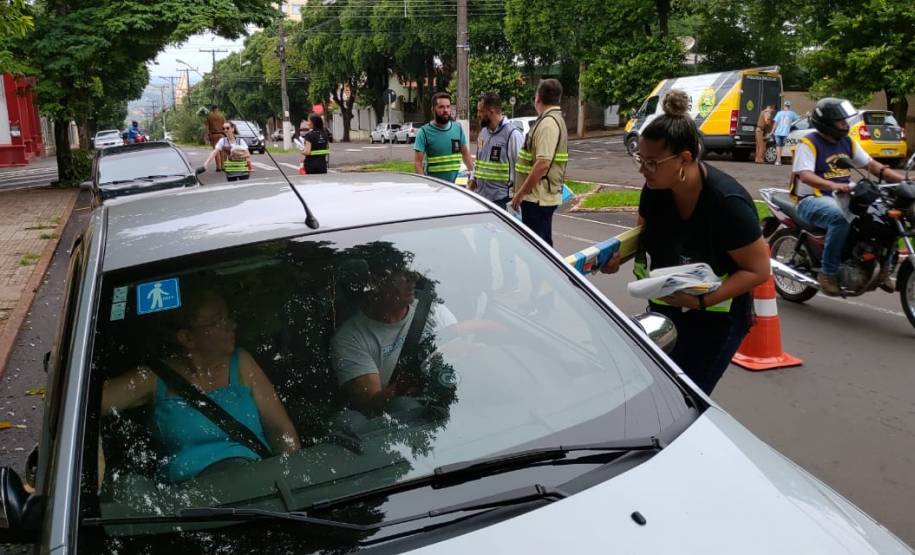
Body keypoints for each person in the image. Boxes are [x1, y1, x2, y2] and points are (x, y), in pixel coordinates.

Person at [600, 89, 770, 395]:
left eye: (652, 162)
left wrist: (700, 301)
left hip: (717, 320)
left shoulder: (726, 202)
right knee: (658, 391)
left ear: (685, 159)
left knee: (688, 397)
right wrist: (616, 256)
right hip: (667, 309)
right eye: (640, 159)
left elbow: (758, 270)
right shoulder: (654, 190)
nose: (643, 169)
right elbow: (643, 234)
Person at [101, 290, 300, 483]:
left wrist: (293, 481)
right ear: (186, 338)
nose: (232, 325)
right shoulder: (154, 377)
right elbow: (92, 402)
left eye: (228, 317)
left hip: (255, 486)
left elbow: (281, 431)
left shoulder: (242, 363)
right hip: (190, 502)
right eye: (219, 321)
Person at [790, 97, 905, 294]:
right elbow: (806, 175)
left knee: (887, 214)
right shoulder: (808, 143)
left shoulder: (847, 142)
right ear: (826, 123)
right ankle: (828, 272)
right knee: (840, 217)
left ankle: (882, 267)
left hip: (843, 196)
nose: (845, 124)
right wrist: (834, 185)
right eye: (840, 121)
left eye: (845, 120)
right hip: (812, 199)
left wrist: (903, 182)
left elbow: (872, 165)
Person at [333, 262, 457, 417]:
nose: (414, 277)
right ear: (377, 282)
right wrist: (400, 388)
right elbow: (372, 407)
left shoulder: (435, 312)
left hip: (455, 409)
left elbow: (461, 356)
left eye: (412, 271)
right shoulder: (350, 339)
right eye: (402, 273)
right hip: (406, 421)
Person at [511, 79, 569, 246]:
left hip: (537, 198)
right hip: (540, 197)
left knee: (537, 250)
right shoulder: (552, 119)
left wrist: (521, 193)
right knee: (542, 247)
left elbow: (543, 163)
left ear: (538, 98)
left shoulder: (548, 124)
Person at [468, 92, 524, 210]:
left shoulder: (513, 134)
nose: (478, 114)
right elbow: (478, 163)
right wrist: (471, 189)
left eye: (481, 111)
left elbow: (521, 170)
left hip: (503, 201)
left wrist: (518, 197)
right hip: (482, 199)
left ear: (491, 111)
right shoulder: (483, 133)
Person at [414, 92, 474, 183]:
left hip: (456, 187)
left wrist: (473, 176)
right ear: (433, 110)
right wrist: (424, 184)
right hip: (433, 187)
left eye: (448, 106)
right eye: (441, 107)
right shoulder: (424, 132)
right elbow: (418, 163)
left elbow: (465, 154)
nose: (445, 110)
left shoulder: (458, 128)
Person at [772, 101, 799, 165]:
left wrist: (772, 131)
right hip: (786, 133)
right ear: (789, 106)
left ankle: (778, 161)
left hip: (777, 132)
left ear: (784, 106)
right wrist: (806, 115)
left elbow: (775, 123)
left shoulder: (779, 113)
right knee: (785, 147)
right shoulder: (792, 113)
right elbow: (798, 119)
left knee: (778, 146)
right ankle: (790, 160)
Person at [207, 105, 227, 171]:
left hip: (214, 136)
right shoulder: (221, 116)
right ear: (217, 109)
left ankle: (218, 167)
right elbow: (225, 126)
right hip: (221, 135)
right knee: (222, 151)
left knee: (216, 152)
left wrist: (208, 136)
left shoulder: (210, 116)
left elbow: (207, 127)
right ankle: (223, 166)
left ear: (212, 109)